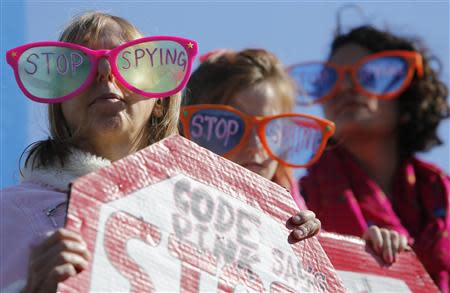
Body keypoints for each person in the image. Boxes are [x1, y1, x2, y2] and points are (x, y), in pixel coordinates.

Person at [1, 11, 197, 292]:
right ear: (60, 103)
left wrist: (278, 253)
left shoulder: (199, 226)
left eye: (131, 64)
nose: (106, 73)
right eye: (78, 67)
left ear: (160, 102)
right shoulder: (7, 214)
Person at [294, 25, 450, 291]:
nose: (344, 87)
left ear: (407, 101)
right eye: (329, 80)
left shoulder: (443, 195)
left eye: (370, 75)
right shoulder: (298, 203)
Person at [182, 48, 336, 244]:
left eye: (272, 129)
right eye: (230, 127)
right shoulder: (164, 199)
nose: (256, 146)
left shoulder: (294, 216)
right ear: (188, 131)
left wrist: (313, 244)